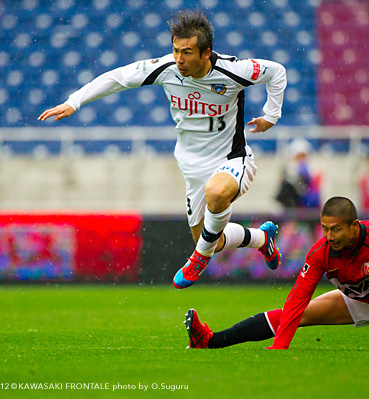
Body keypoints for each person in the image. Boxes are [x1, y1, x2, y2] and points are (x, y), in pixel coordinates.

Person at [38, 10, 286, 289]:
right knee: (212, 239)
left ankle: (198, 259)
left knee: (216, 196)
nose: (180, 59)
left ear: (206, 53)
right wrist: (75, 101)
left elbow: (277, 72)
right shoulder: (166, 68)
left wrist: (270, 116)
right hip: (191, 167)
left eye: (188, 52)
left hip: (231, 158)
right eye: (176, 50)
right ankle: (261, 239)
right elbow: (118, 77)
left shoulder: (234, 70)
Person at [183, 196, 369, 350]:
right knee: (296, 315)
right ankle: (210, 341)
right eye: (325, 229)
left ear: (355, 226)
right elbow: (297, 299)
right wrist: (280, 346)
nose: (329, 236)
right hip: (362, 298)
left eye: (336, 229)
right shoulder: (321, 252)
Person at [275, 139, 321, 209]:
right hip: (295, 203)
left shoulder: (314, 170)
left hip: (310, 203)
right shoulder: (290, 170)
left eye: (303, 156)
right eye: (298, 156)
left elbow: (315, 191)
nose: (301, 159)